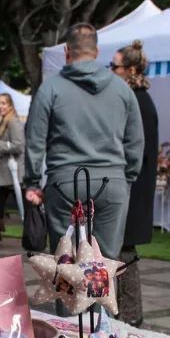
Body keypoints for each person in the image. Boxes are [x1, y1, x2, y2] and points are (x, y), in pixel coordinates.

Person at [24, 23, 143, 261]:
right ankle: (100, 299)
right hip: (112, 181)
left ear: (67, 50)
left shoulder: (50, 89)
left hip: (65, 181)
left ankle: (70, 298)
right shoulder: (123, 90)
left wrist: (33, 181)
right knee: (107, 264)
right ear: (97, 52)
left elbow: (35, 140)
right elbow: (135, 141)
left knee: (66, 262)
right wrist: (127, 177)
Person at [111, 40, 159, 326]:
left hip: (132, 190)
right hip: (131, 188)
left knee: (125, 255)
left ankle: (130, 318)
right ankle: (129, 316)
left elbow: (133, 151)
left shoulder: (137, 101)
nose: (110, 71)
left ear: (129, 69)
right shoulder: (136, 98)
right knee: (123, 255)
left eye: (114, 66)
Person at [0, 93, 26, 247]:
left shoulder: (13, 122)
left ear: (10, 105)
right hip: (4, 174)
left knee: (21, 206)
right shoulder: (3, 122)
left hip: (12, 174)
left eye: (4, 103)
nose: (0, 106)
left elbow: (19, 146)